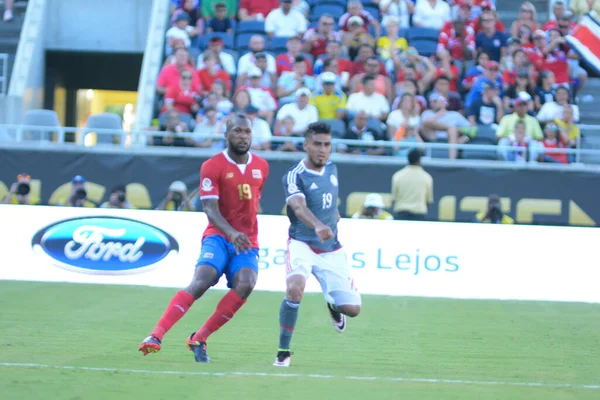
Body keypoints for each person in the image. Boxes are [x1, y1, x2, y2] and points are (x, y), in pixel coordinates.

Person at [139, 114, 270, 363]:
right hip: (219, 237)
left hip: (247, 241)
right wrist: (232, 233)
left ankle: (199, 337)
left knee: (247, 284)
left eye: (247, 132)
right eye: (238, 131)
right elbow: (210, 209)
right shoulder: (212, 165)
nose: (243, 136)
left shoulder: (262, 166)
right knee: (202, 280)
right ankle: (155, 335)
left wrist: (243, 233)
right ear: (226, 134)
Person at [273, 122, 361, 368]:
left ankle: (334, 305)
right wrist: (318, 225)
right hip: (302, 243)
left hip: (331, 249)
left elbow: (328, 200)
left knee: (353, 309)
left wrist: (334, 216)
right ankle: (283, 352)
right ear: (306, 145)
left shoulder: (332, 168)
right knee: (295, 288)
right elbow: (299, 207)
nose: (323, 150)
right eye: (317, 144)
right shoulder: (294, 175)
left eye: (327, 145)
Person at [391, 149, 433, 221]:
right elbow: (428, 200)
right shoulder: (426, 177)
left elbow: (394, 198)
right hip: (419, 215)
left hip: (401, 214)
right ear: (419, 160)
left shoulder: (398, 176)